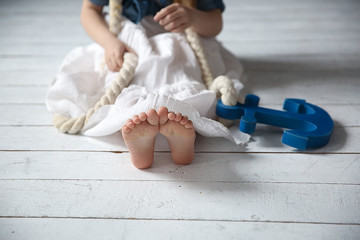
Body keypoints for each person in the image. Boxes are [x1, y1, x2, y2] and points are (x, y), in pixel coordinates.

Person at [47, 0, 246, 170]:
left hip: (179, 39)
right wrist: (109, 42)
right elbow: (89, 11)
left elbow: (214, 22)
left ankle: (181, 133)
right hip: (129, 40)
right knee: (122, 80)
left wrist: (192, 17)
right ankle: (142, 132)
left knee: (179, 74)